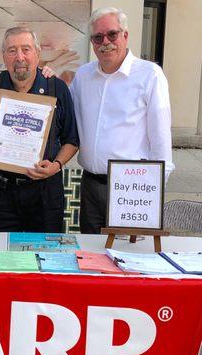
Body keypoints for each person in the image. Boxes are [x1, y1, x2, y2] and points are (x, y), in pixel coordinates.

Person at [70, 7, 175, 234]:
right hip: (89, 186)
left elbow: (161, 140)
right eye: (98, 37)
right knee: (91, 256)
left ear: (125, 35)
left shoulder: (150, 75)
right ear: (92, 42)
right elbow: (61, 115)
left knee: (126, 260)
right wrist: (45, 78)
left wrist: (150, 195)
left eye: (112, 34)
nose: (105, 42)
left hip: (130, 190)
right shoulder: (83, 76)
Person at [0, 26, 79, 233]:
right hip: (2, 192)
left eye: (26, 49)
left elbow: (72, 139)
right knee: (3, 257)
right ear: (4, 55)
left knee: (45, 256)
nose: (20, 57)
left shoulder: (57, 88)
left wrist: (57, 165)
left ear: (38, 53)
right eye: (12, 50)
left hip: (45, 193)